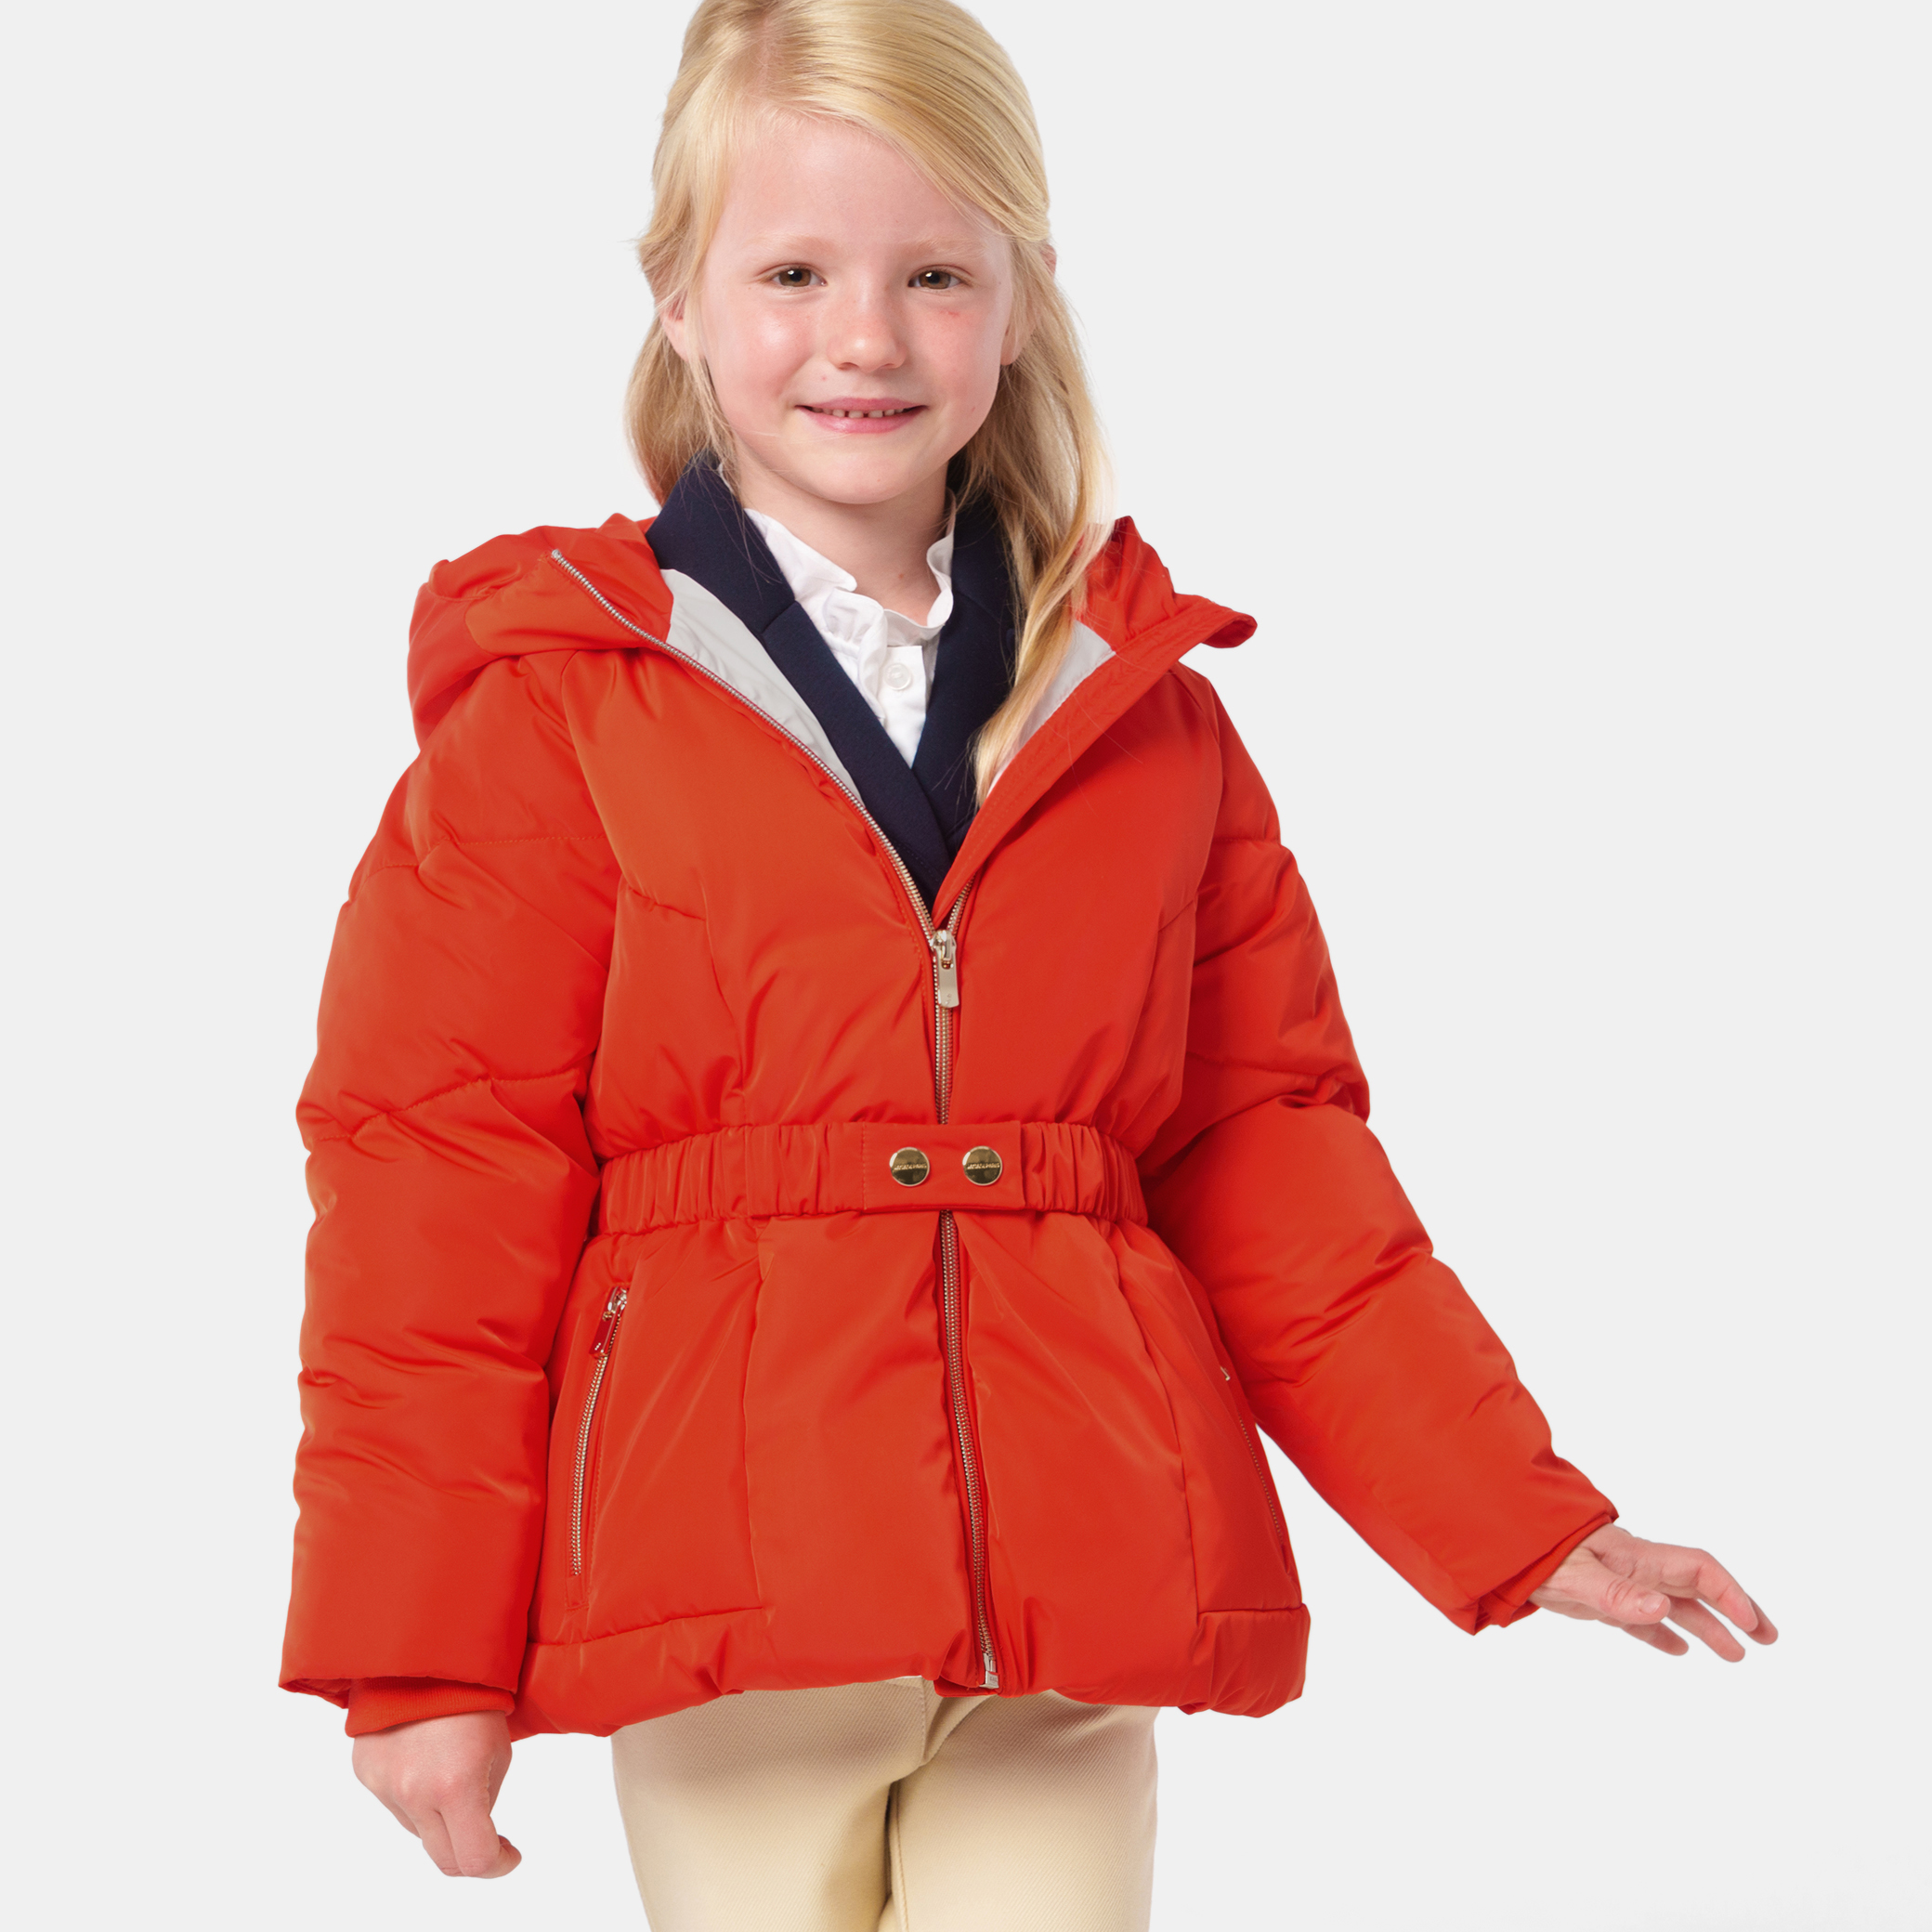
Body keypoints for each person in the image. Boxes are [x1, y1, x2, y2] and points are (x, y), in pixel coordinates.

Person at [280, 3, 1776, 1925]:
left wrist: (1518, 1520)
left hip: (1076, 1592)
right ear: (675, 298)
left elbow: (1272, 1166)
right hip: (730, 1601)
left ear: (1023, 296)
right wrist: (413, 1653)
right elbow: (435, 1195)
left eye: (934, 273)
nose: (865, 338)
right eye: (793, 273)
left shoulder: (1142, 718)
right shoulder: (559, 715)